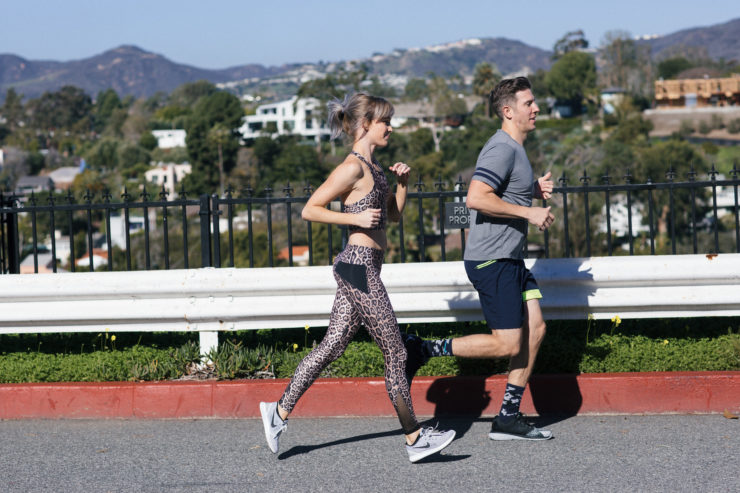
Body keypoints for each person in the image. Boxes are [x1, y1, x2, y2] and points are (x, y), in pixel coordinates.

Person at [259, 92, 455, 463]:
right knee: (396, 350)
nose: (391, 128)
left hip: (364, 266)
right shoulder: (352, 167)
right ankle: (415, 439)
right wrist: (354, 219)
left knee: (332, 346)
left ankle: (278, 412)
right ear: (366, 124)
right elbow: (309, 210)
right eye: (385, 122)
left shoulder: (375, 168)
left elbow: (393, 218)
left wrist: (403, 184)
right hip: (358, 264)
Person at [405, 76, 555, 441]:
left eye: (535, 102)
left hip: (511, 258)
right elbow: (476, 198)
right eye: (528, 103)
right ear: (508, 111)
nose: (536, 108)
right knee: (507, 343)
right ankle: (422, 348)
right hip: (493, 260)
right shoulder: (502, 148)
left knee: (535, 330)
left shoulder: (516, 149)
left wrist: (530, 191)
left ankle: (507, 417)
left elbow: (502, 191)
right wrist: (530, 212)